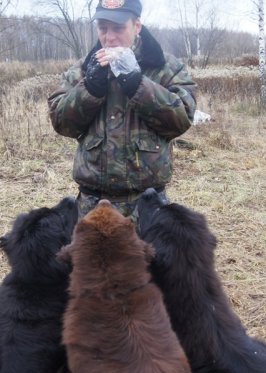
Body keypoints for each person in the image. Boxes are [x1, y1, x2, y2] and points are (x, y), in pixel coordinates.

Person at [48, 0, 197, 220]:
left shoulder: (165, 67)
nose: (109, 37)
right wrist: (89, 89)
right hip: (92, 205)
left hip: (147, 205)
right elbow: (61, 122)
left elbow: (181, 119)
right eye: (103, 28)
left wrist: (138, 84)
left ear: (136, 27)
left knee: (148, 256)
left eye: (118, 28)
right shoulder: (84, 68)